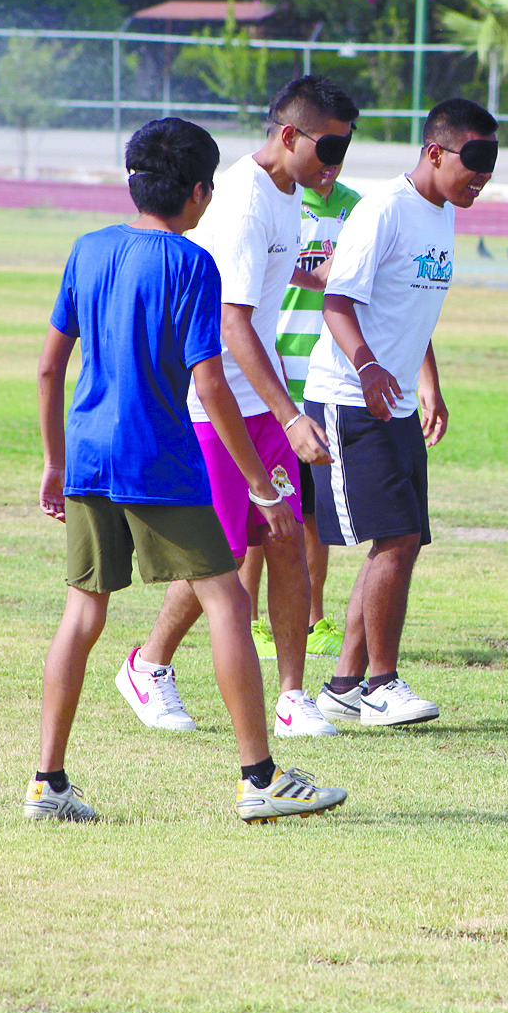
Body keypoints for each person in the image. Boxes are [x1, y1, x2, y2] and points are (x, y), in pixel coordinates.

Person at [27, 116, 347, 823]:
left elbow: (51, 366)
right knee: (228, 601)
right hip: (157, 456)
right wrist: (262, 487)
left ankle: (48, 784)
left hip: (86, 454)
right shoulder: (191, 263)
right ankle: (259, 779)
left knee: (84, 612)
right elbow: (210, 386)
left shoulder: (87, 249)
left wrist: (54, 463)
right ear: (200, 192)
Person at [114, 76, 357, 740]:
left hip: (261, 396)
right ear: (288, 135)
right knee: (215, 557)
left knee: (285, 542)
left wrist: (327, 276)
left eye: (345, 150)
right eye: (327, 147)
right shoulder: (247, 204)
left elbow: (266, 291)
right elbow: (232, 324)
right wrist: (290, 415)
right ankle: (147, 664)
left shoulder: (288, 196)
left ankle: (291, 696)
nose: (334, 165)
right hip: (213, 405)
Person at [303, 96, 499, 727]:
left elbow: (409, 311)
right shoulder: (383, 210)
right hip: (350, 398)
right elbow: (339, 301)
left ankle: (345, 685)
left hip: (397, 402)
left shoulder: (440, 214)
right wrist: (367, 365)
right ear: (436, 152)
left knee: (404, 540)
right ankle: (382, 683)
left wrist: (429, 383)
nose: (483, 176)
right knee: (396, 537)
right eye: (475, 160)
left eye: (492, 163)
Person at [237, 151, 367, 661]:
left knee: (311, 510)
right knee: (262, 501)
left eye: (340, 155)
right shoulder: (279, 203)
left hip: (325, 374)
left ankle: (312, 619)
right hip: (273, 372)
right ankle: (249, 621)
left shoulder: (356, 207)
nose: (330, 168)